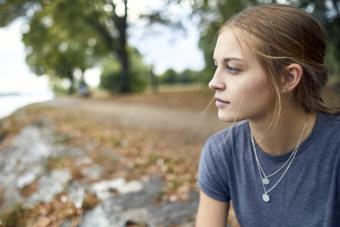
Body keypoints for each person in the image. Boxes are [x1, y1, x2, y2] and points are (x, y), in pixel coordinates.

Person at [195, 4, 340, 227]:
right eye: (217, 65)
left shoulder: (334, 150)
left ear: (288, 78)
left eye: (232, 68)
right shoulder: (221, 152)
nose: (214, 82)